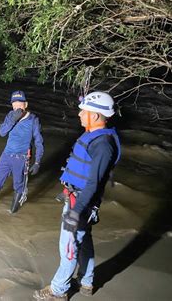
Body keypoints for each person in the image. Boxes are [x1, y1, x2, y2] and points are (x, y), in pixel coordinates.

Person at [33, 91, 121, 300]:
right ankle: (86, 282)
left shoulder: (103, 145)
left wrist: (75, 211)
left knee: (69, 247)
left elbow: (93, 184)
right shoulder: (96, 136)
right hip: (79, 198)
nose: (80, 115)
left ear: (97, 116)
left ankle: (58, 291)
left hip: (81, 203)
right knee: (83, 240)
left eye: (84, 111)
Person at [0, 90, 44, 213]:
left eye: (20, 103)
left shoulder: (33, 120)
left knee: (18, 185)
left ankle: (13, 212)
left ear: (26, 104)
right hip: (6, 155)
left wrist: (38, 162)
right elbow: (2, 133)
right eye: (14, 103)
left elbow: (39, 142)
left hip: (21, 158)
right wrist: (13, 119)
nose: (17, 106)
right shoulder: (10, 115)